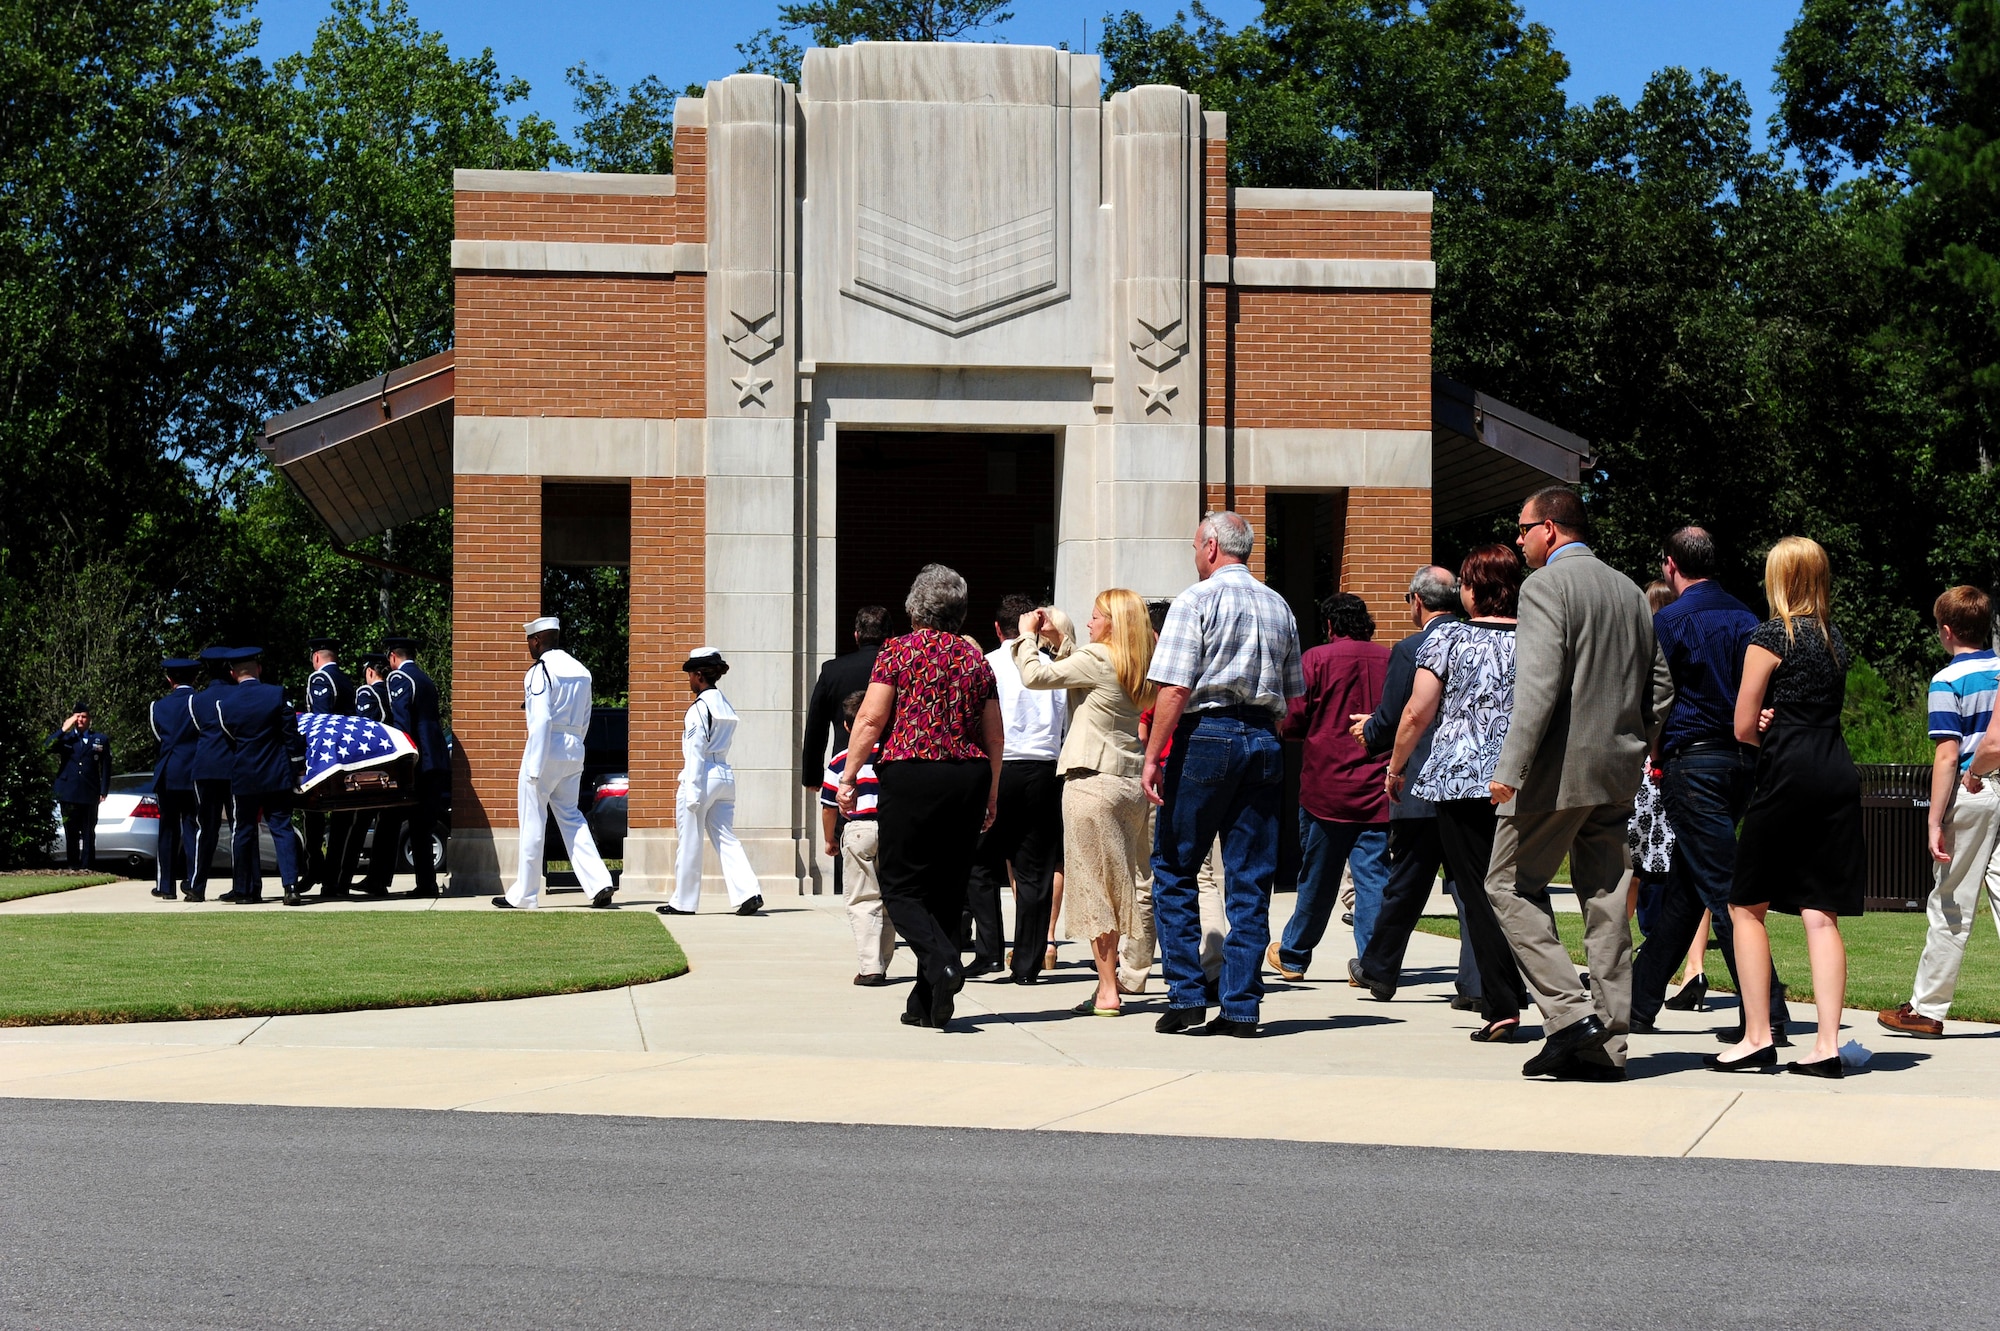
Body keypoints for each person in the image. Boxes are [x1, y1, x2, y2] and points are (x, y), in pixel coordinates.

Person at [1487, 486, 1673, 1081]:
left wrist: (1508, 771)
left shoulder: (1544, 587)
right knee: (1607, 903)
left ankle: (1569, 1018)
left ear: (1550, 529)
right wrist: (1637, 740)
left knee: (1507, 885)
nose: (1519, 542)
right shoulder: (1628, 590)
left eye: (1522, 530)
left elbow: (1538, 687)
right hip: (1619, 770)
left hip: (1557, 774)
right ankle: (1608, 1047)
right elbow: (1662, 687)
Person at [1143, 512, 1304, 1038]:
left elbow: (1174, 687)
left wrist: (1153, 755)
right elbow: (1293, 694)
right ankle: (1240, 1005)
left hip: (1207, 735)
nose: (1194, 555)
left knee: (1173, 863)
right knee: (1250, 878)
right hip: (1263, 737)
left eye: (1195, 546)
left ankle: (1187, 995)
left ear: (1211, 547)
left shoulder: (1197, 599)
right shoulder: (1278, 604)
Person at [1710, 537, 1864, 1078]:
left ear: (1780, 577)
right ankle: (1826, 1045)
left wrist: (1764, 728)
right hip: (1837, 770)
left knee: (1745, 904)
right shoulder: (1834, 640)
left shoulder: (1772, 634)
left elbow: (1742, 726)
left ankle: (1757, 1036)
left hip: (1789, 773)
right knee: (1822, 913)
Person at [1629, 527, 1788, 1042]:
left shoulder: (1669, 622)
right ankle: (1636, 1002)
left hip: (1691, 763)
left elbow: (1652, 698)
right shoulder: (1748, 619)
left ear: (1671, 564)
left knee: (1724, 891)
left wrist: (1652, 755)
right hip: (1742, 763)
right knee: (1688, 888)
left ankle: (1768, 1013)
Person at [838, 564, 1002, 1031]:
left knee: (899, 885)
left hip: (912, 775)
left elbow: (869, 720)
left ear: (915, 607)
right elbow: (994, 736)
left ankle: (944, 961)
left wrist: (848, 776)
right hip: (967, 776)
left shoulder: (896, 652)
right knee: (948, 890)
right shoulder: (976, 659)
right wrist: (991, 790)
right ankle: (929, 1004)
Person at [1383, 547, 1532, 1041]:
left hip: (1461, 782)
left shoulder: (1449, 639)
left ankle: (1501, 1003)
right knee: (1521, 890)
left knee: (1478, 891)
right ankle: (1538, 992)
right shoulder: (1537, 638)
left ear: (1472, 589)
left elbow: (1415, 713)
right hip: (1522, 782)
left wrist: (1396, 766)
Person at [1014, 590, 1155, 1016]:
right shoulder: (1139, 661)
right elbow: (1085, 671)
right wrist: (1060, 639)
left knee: (1097, 891)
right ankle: (1124, 974)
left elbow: (1036, 677)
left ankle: (1107, 990)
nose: (1090, 623)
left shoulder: (1098, 658)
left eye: (1095, 617)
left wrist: (1026, 638)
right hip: (1129, 783)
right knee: (1129, 884)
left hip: (1091, 782)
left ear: (1112, 623)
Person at [1880, 588, 2000, 1038]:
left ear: (1946, 631)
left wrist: (1934, 819)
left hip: (1975, 790)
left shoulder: (1947, 681)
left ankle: (1927, 1008)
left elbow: (1948, 757)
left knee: (1951, 899)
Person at [1351, 566, 1474, 1003]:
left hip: (1419, 782)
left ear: (1417, 601)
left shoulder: (1410, 648)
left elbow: (1400, 714)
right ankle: (1477, 983)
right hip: (1469, 786)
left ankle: (1380, 969)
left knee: (1405, 882)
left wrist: (1370, 733)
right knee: (1469, 887)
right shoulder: (1478, 640)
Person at [1269, 593, 1390, 980]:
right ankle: (1371, 962)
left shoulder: (1316, 660)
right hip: (1376, 784)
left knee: (1318, 875)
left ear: (1330, 625)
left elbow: (1294, 720)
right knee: (1372, 876)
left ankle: (1293, 955)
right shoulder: (1390, 660)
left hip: (1328, 784)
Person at [966, 593, 1066, 983]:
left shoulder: (986, 665)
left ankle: (989, 949)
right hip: (1044, 769)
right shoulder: (1056, 667)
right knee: (1035, 869)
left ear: (996, 629)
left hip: (998, 766)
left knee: (976, 858)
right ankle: (1027, 963)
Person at [496, 617, 614, 911]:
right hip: (574, 749)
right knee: (571, 816)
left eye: (529, 642)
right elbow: (587, 716)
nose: (529, 648)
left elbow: (542, 720)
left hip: (545, 749)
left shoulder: (540, 671)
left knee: (533, 820)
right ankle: (599, 881)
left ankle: (525, 893)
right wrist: (576, 746)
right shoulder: (581, 671)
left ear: (537, 641)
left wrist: (534, 766)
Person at [658, 648, 764, 916]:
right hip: (724, 775)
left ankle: (683, 902)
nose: (689, 681)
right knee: (726, 837)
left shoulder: (699, 708)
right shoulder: (724, 704)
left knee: (689, 841)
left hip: (703, 776)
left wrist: (692, 792)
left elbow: (695, 751)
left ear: (698, 675)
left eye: (690, 676)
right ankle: (749, 892)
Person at [802, 606, 889, 895]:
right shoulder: (895, 666)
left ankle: (851, 895)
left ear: (856, 636)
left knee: (849, 836)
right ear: (890, 635)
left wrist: (813, 775)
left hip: (846, 767)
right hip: (889, 763)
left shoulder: (833, 670)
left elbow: (815, 725)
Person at [214, 647, 307, 905]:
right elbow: (290, 734)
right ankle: (290, 887)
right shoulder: (276, 694)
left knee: (244, 831)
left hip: (244, 774)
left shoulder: (225, 704)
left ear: (233, 674)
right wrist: (298, 766)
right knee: (281, 828)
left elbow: (230, 738)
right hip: (276, 772)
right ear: (259, 669)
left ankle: (246, 891)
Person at [823, 691, 892, 984]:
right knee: (889, 900)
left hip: (859, 829)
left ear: (848, 727)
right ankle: (883, 961)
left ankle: (870, 967)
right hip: (892, 829)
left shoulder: (842, 760)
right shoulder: (893, 755)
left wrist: (829, 839)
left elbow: (829, 806)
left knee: (863, 899)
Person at [386, 636, 448, 897]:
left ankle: (425, 884)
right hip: (436, 759)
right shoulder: (425, 679)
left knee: (416, 826)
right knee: (424, 825)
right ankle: (427, 882)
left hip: (419, 762)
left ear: (392, 657)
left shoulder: (399, 679)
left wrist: (400, 762)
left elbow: (402, 724)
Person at [300, 637, 358, 901]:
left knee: (313, 814)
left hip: (326, 762)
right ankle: (334, 879)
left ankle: (316, 870)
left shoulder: (320, 680)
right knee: (341, 822)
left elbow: (321, 722)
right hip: (346, 759)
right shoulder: (347, 682)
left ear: (316, 658)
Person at [185, 646, 237, 902]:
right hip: (233, 767)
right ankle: (242, 883)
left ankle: (197, 885)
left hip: (205, 767)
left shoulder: (197, 699)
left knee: (206, 829)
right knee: (239, 827)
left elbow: (198, 729)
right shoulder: (237, 694)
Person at [147, 659, 202, 899]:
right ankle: (192, 881)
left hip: (168, 771)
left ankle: (165, 885)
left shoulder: (157, 706)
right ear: (195, 678)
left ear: (170, 680)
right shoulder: (200, 703)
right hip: (193, 771)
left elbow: (160, 737)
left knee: (167, 829)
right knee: (192, 827)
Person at [346, 655, 397, 897]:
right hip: (393, 768)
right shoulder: (392, 691)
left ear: (369, 673)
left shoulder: (367, 694)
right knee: (386, 826)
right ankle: (378, 879)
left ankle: (343, 877)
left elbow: (364, 729)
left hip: (372, 768)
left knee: (360, 824)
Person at [47, 706, 112, 871]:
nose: (81, 720)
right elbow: (46, 747)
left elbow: (106, 767)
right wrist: (63, 728)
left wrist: (103, 790)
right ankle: (72, 865)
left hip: (89, 791)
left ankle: (87, 865)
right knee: (72, 831)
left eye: (84, 717)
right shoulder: (66, 739)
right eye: (78, 717)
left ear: (89, 719)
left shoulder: (100, 739)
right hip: (68, 790)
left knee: (89, 830)